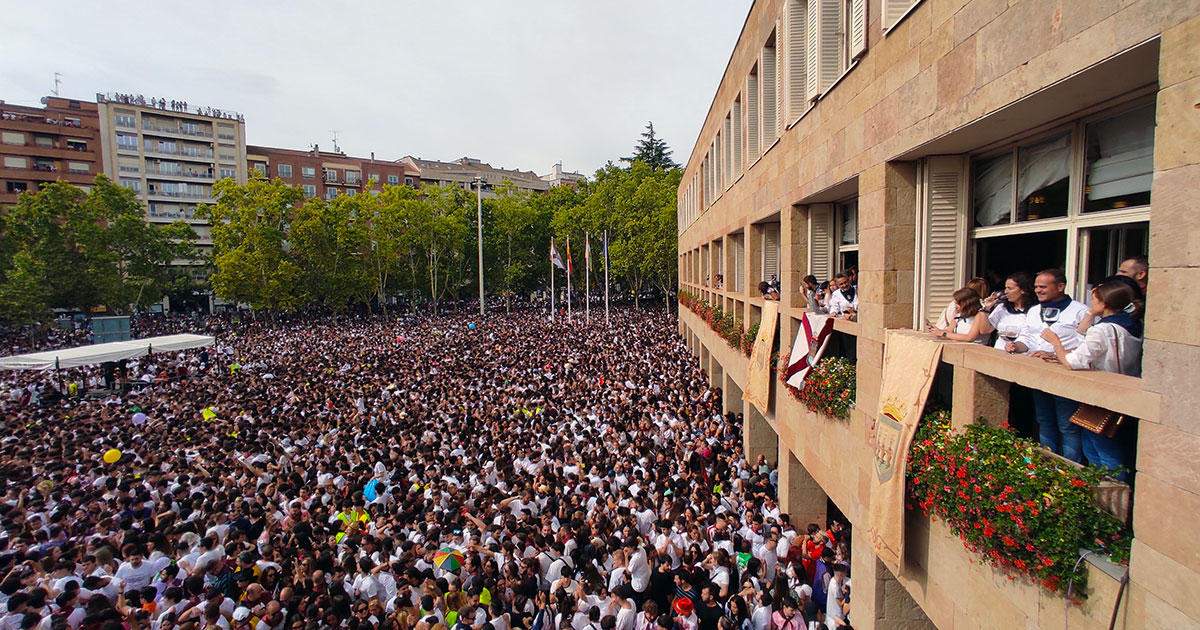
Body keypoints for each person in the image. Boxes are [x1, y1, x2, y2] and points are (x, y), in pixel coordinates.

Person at [1041, 279, 1144, 480]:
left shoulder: (1103, 329)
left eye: (1094, 299)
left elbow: (1073, 361)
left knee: (1102, 450)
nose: (1090, 303)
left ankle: (1111, 501)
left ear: (1104, 303)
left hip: (1103, 393)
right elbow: (1087, 344)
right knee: (1099, 444)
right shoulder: (1133, 323)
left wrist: (1056, 344)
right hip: (1124, 387)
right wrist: (1090, 315)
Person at [1007, 269, 1090, 462]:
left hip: (1065, 375)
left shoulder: (1080, 311)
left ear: (1060, 287)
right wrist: (1016, 345)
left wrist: (1055, 354)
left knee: (1067, 425)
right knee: (1044, 421)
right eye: (1036, 286)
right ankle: (1048, 466)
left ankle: (1071, 470)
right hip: (1038, 374)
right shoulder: (1034, 310)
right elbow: (1027, 338)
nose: (1037, 290)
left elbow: (1087, 346)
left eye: (1043, 286)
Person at [927, 287, 993, 344]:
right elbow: (949, 331)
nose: (955, 306)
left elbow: (970, 337)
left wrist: (943, 333)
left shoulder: (979, 315)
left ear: (966, 303)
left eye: (957, 303)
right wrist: (937, 331)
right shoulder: (959, 314)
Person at [987, 272, 1035, 351]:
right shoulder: (1002, 308)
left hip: (1019, 355)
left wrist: (1014, 347)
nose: (1006, 291)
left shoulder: (1033, 311)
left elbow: (1027, 339)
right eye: (1005, 288)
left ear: (1023, 290)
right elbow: (985, 330)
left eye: (1010, 288)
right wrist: (985, 309)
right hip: (998, 352)